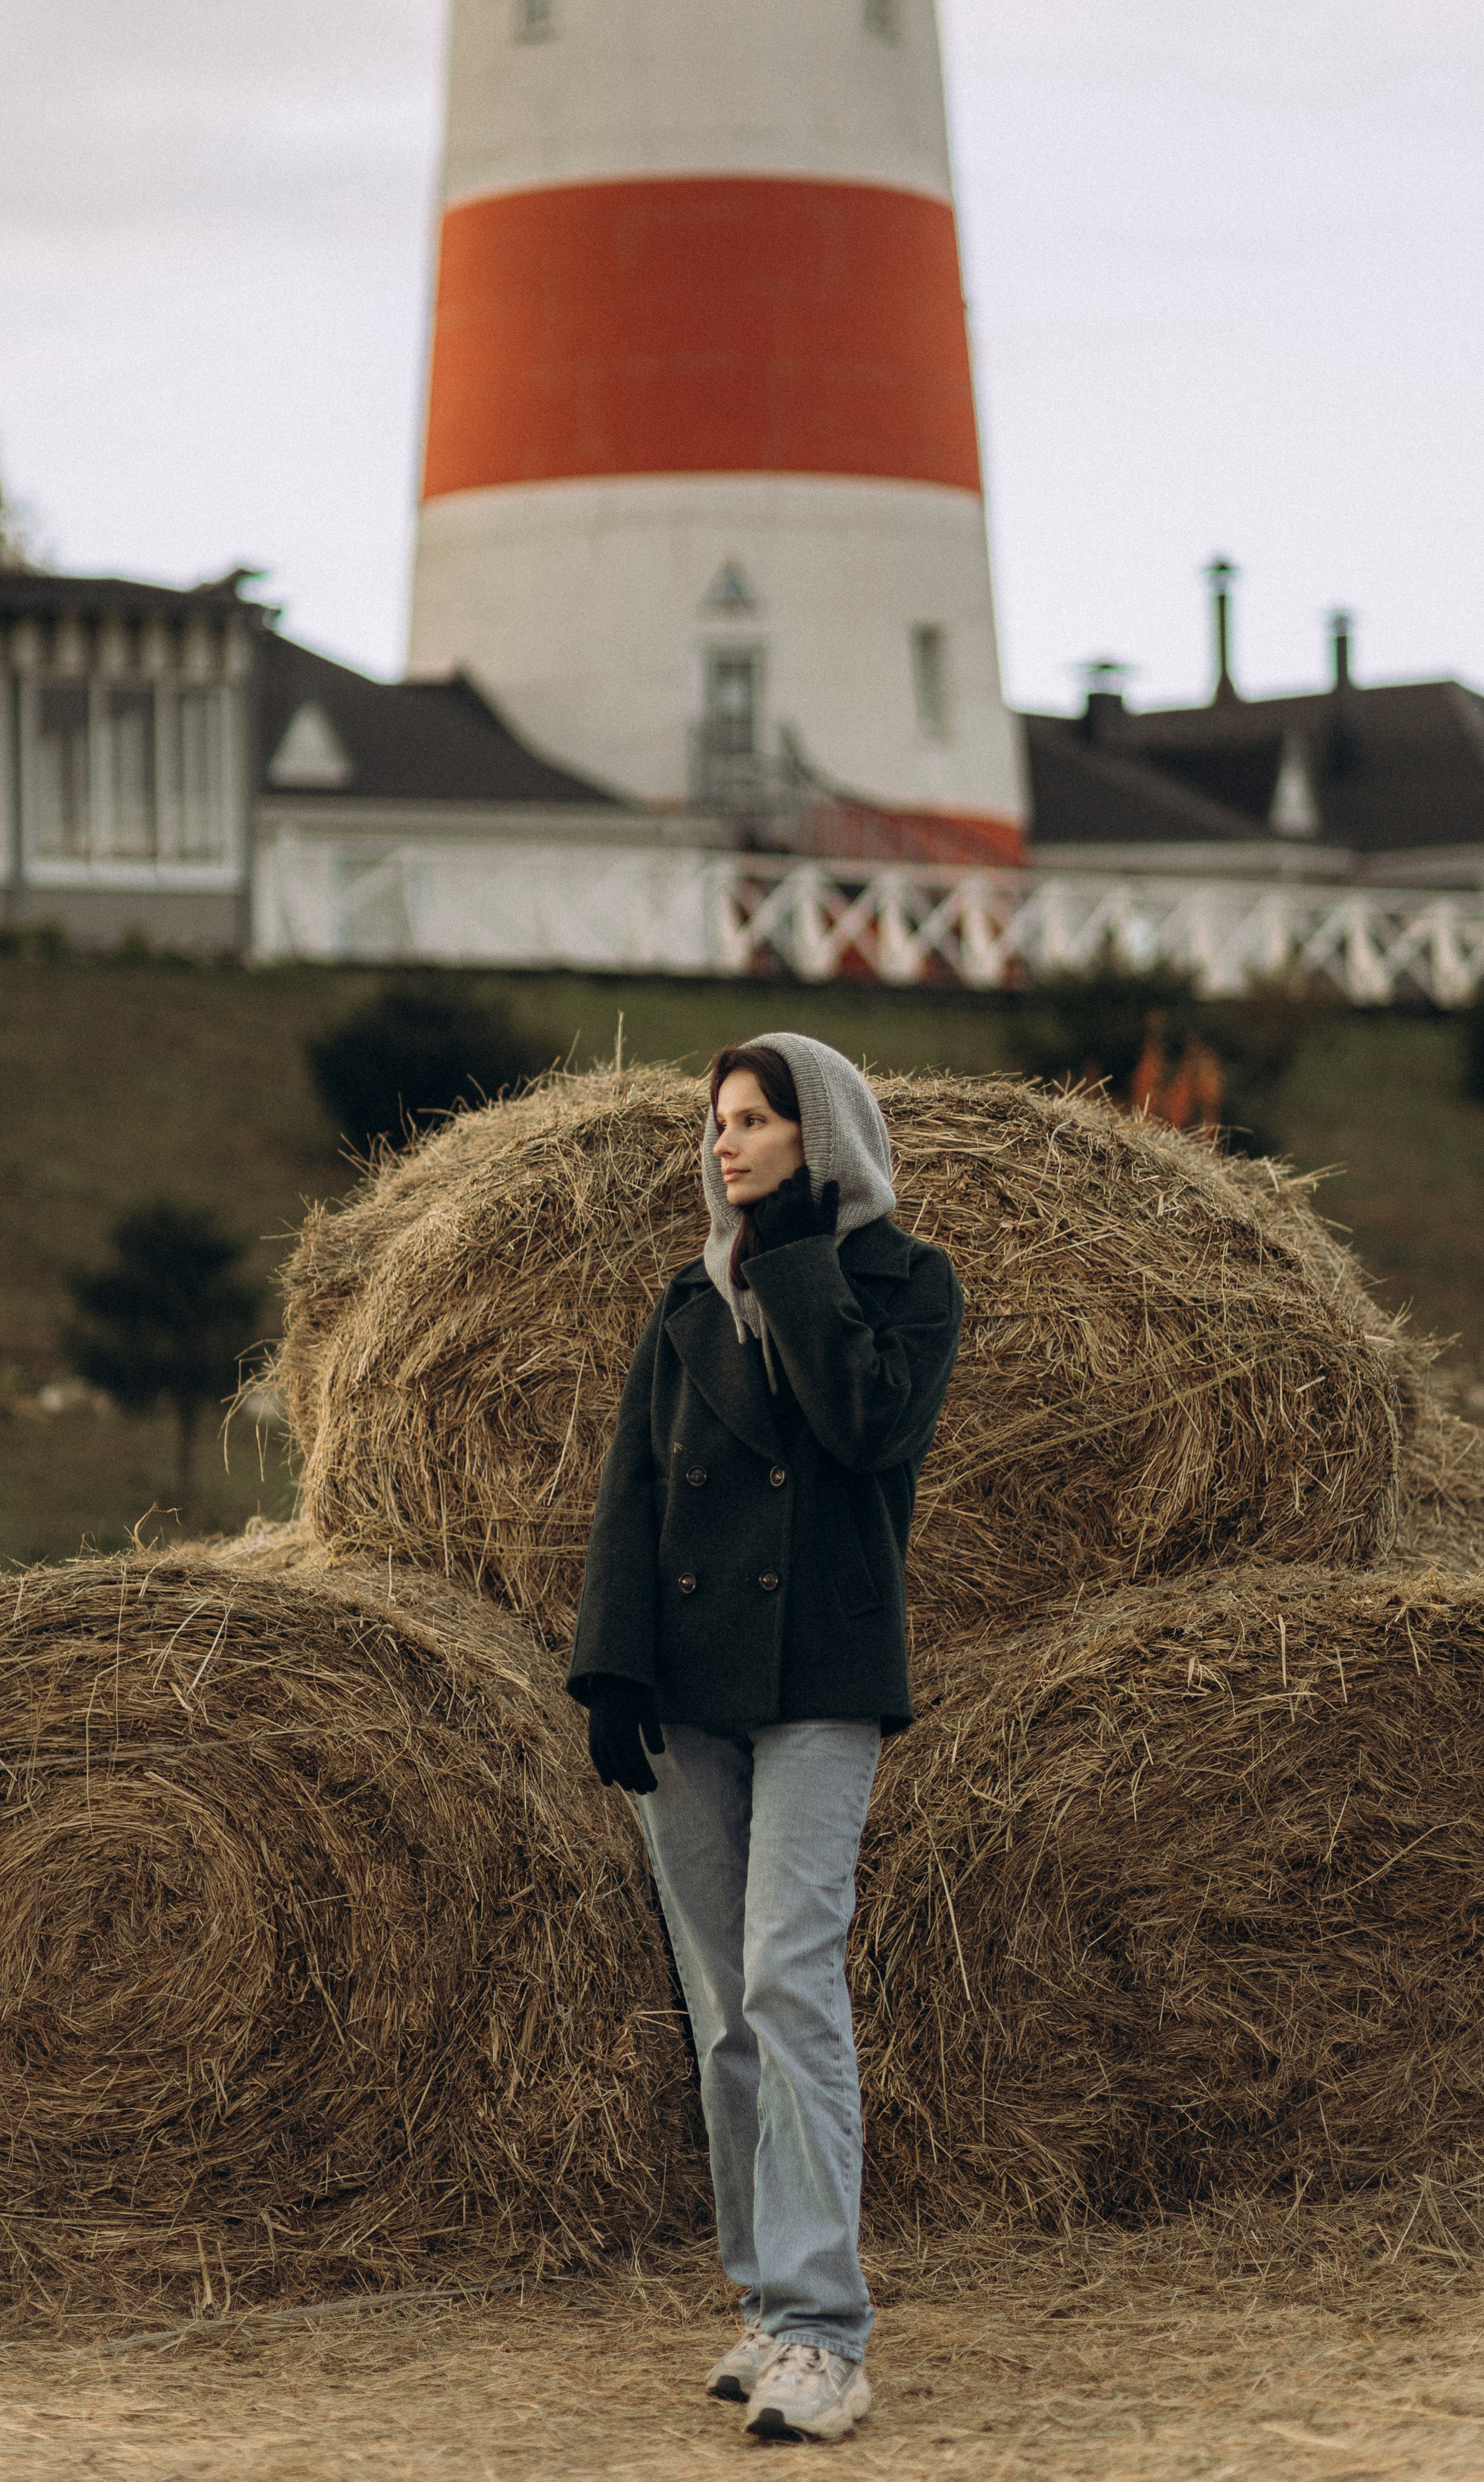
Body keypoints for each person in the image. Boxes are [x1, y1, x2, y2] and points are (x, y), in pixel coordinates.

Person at [567, 1032, 963, 2445]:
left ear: (822, 1137)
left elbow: (866, 1426)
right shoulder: (688, 1297)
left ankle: (824, 2335)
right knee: (725, 2005)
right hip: (684, 1687)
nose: (722, 1145)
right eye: (718, 1123)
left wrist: (796, 1260)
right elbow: (630, 1493)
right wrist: (611, 1671)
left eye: (751, 1121)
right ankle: (765, 2299)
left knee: (791, 1979)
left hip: (822, 1676)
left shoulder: (906, 1285)